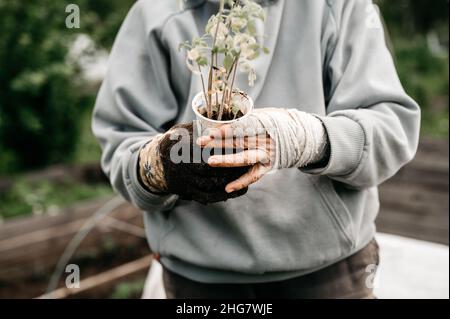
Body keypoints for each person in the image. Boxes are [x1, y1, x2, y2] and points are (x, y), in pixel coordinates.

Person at [92, 0, 420, 298]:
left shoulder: (340, 7)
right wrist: (160, 165)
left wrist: (305, 138)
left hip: (328, 275)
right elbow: (122, 144)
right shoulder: (155, 13)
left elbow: (392, 131)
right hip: (199, 283)